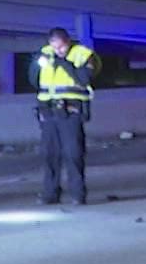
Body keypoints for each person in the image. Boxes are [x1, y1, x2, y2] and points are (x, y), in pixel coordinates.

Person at [30, 26, 100, 205]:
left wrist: (63, 63)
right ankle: (50, 194)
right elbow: (33, 80)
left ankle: (77, 194)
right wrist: (38, 63)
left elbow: (84, 79)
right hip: (48, 111)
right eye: (54, 47)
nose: (58, 50)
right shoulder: (45, 54)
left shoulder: (83, 55)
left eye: (61, 47)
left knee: (73, 153)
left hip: (71, 111)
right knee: (49, 154)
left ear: (68, 42)